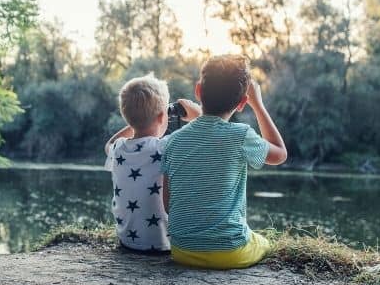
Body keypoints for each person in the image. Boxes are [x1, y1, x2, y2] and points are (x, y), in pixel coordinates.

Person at [161, 55, 287, 269]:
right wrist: (258, 105)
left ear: (198, 90)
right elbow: (280, 154)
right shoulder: (240, 135)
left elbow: (167, 204)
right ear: (241, 104)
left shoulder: (173, 140)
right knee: (264, 243)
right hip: (229, 252)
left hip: (182, 250)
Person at [104, 74, 198, 254]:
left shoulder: (119, 149)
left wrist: (135, 120)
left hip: (128, 242)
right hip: (163, 245)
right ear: (163, 116)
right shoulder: (166, 146)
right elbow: (205, 133)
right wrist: (198, 114)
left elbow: (108, 144)